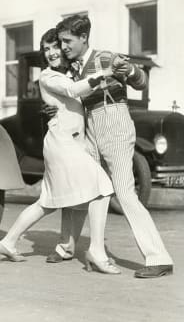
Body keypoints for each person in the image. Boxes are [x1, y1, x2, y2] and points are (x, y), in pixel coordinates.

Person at [48, 14, 173, 278]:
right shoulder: (72, 68)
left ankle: (159, 258)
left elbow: (141, 82)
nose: (63, 47)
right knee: (84, 187)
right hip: (91, 127)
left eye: (68, 41)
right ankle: (67, 246)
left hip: (114, 123)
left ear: (84, 38)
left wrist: (129, 70)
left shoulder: (105, 57)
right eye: (61, 42)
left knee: (124, 192)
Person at [0, 28, 120, 275]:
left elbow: (74, 94)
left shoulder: (69, 74)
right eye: (46, 49)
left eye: (55, 47)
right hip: (61, 143)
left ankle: (6, 243)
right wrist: (105, 73)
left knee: (47, 202)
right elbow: (74, 91)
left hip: (69, 143)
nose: (51, 53)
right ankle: (96, 251)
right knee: (102, 188)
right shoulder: (48, 76)